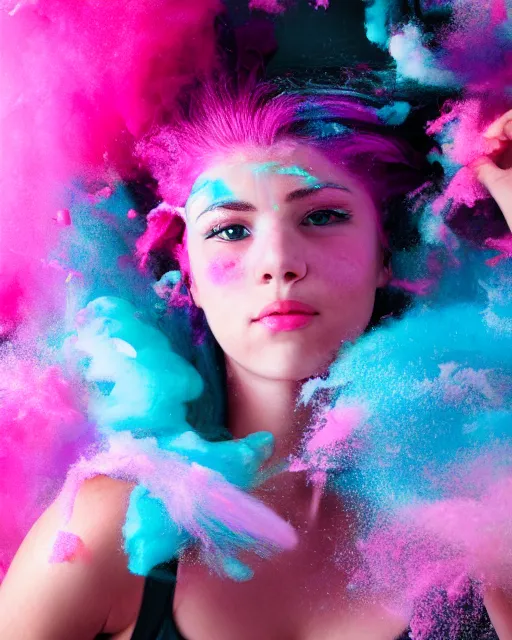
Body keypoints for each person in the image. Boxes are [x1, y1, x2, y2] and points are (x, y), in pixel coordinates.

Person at [0, 81, 511, 640]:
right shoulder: (104, 531)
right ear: (188, 277)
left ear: (384, 257)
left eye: (321, 217)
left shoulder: (476, 521)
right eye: (230, 229)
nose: (279, 262)